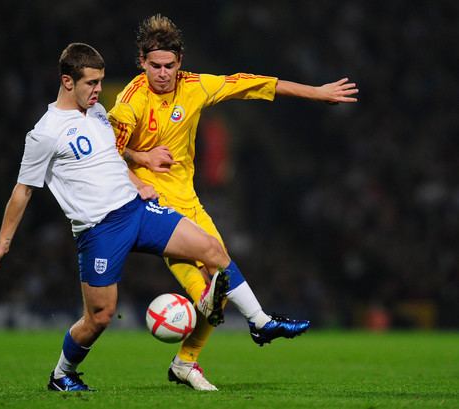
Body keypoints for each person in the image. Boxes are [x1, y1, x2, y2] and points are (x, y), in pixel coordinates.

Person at [108, 14, 358, 390]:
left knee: (219, 295)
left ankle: (186, 362)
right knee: (210, 291)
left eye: (169, 66)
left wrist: (317, 92)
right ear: (141, 62)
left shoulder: (195, 87)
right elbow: (106, 153)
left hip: (188, 202)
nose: (162, 73)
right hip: (152, 206)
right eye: (154, 66)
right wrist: (140, 167)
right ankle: (259, 322)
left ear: (180, 64)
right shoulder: (129, 101)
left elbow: (253, 85)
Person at [0, 42, 242, 392]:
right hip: (97, 231)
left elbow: (114, 155)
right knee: (100, 316)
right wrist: (2, 243)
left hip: (136, 211)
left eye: (101, 81)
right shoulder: (45, 133)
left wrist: (140, 163)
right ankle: (61, 374)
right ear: (68, 82)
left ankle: (213, 310)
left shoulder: (100, 113)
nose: (99, 90)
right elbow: (23, 190)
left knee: (212, 249)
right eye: (91, 83)